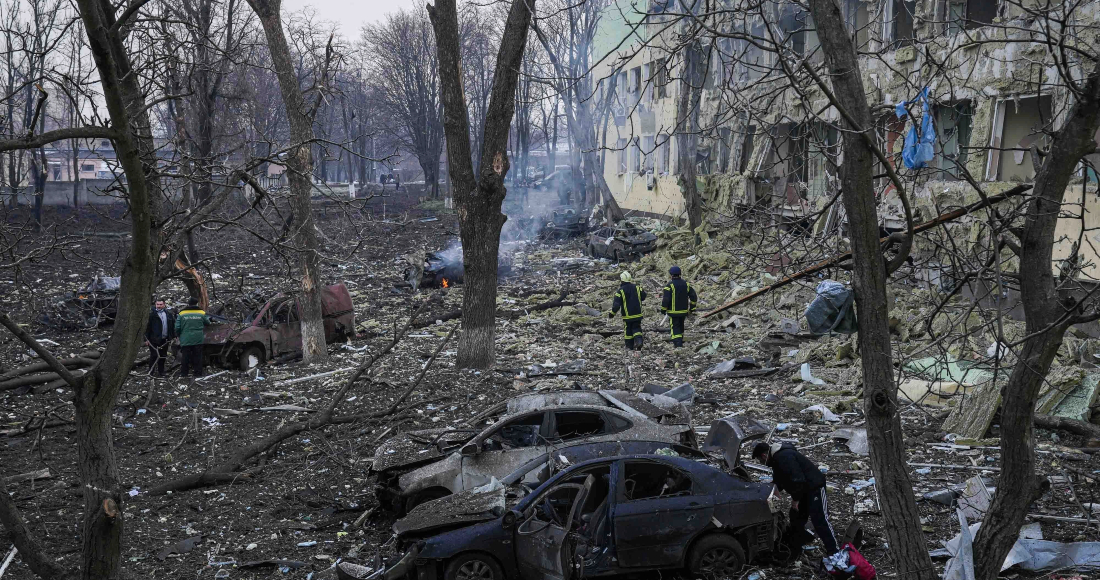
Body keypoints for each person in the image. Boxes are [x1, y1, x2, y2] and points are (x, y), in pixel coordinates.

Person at [752, 441, 838, 556]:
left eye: (760, 460)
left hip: (814, 487)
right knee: (796, 517)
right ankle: (797, 545)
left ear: (764, 456)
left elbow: (798, 479)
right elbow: (779, 480)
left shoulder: (784, 457)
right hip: (803, 490)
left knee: (820, 520)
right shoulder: (777, 459)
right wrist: (766, 491)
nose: (761, 463)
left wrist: (796, 499)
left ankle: (834, 552)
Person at [660, 266, 697, 348]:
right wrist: (692, 308)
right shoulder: (686, 284)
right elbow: (693, 296)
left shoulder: (669, 286)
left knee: (675, 327)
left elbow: (666, 299)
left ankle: (678, 345)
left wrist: (663, 309)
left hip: (673, 312)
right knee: (681, 326)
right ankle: (680, 341)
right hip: (683, 312)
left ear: (671, 275)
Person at [609, 271, 646, 351]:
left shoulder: (620, 291)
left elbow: (616, 305)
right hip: (638, 314)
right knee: (637, 328)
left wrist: (612, 313)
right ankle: (639, 341)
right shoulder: (637, 288)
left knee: (628, 331)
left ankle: (629, 347)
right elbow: (643, 296)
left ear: (621, 280)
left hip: (627, 316)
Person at [175, 297, 210, 378]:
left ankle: (184, 373)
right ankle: (198, 373)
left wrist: (179, 335)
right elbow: (208, 323)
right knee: (198, 356)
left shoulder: (182, 313)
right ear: (196, 304)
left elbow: (177, 327)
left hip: (185, 338)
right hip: (198, 338)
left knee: (185, 356)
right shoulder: (201, 312)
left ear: (188, 304)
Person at [144, 299, 176, 377]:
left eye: (160, 304)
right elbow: (146, 328)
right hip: (153, 339)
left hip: (165, 339)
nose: (159, 306)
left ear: (164, 305)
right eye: (157, 304)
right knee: (154, 355)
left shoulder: (168, 314)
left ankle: (161, 372)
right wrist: (146, 339)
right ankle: (151, 372)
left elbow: (172, 325)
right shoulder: (151, 314)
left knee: (163, 355)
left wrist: (174, 336)